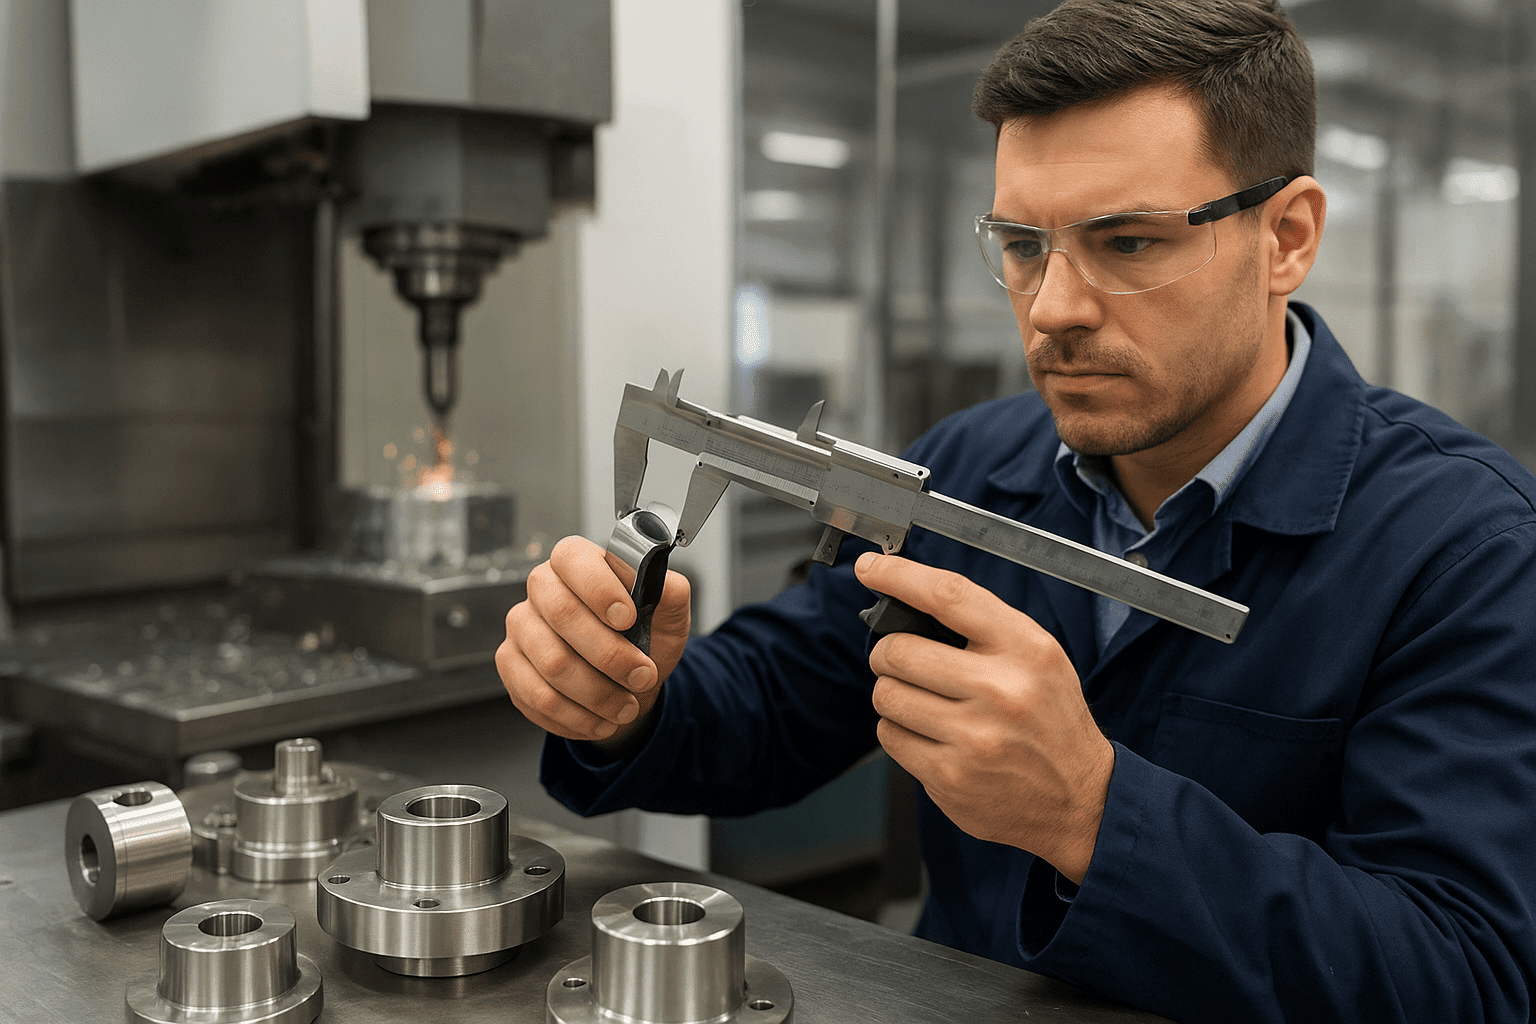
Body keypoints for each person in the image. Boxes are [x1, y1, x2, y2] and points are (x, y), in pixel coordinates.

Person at [497, 1, 1536, 1021]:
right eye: (1022, 243)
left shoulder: (1467, 551)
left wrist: (1092, 812)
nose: (1053, 308)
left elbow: (1466, 977)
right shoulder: (969, 464)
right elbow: (777, 700)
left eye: (1129, 242)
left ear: (1288, 237)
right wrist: (630, 698)